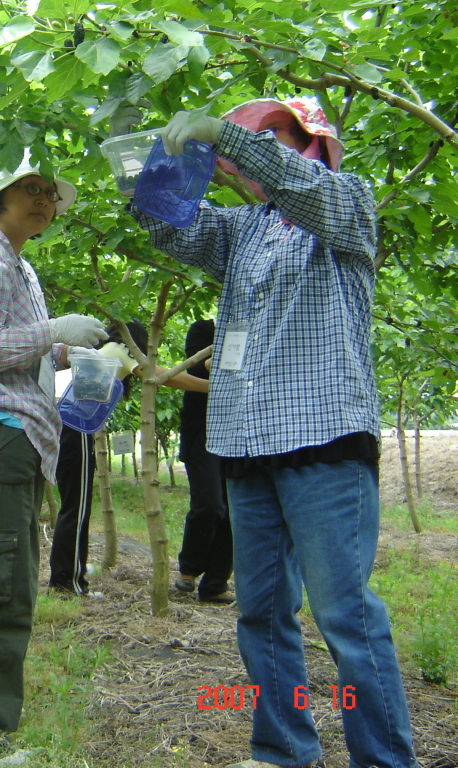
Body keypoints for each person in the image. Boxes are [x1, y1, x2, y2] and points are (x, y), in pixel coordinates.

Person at [130, 98, 417, 768]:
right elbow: (172, 229)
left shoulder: (345, 203)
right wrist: (157, 173)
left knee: (345, 616)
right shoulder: (245, 229)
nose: (250, 152)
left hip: (324, 442)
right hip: (246, 445)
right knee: (260, 613)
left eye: (269, 138)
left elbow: (304, 189)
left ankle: (383, 759)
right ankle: (284, 751)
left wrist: (223, 132)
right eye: (245, 144)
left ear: (311, 142)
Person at [0, 152, 108, 758]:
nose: (42, 201)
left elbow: (16, 350)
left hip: (13, 439)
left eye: (48, 194)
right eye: (28, 189)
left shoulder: (17, 266)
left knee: (9, 587)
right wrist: (56, 330)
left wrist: (69, 358)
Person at [49, 320, 210, 597]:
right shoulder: (121, 350)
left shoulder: (106, 351)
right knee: (77, 507)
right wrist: (212, 387)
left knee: (75, 505)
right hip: (74, 429)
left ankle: (69, 571)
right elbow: (165, 376)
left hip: (64, 426)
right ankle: (67, 582)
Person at [174, 318, 235, 604]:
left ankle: (215, 583)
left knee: (233, 510)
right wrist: (225, 360)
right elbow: (194, 367)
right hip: (204, 432)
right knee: (210, 504)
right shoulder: (203, 329)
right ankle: (189, 568)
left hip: (241, 431)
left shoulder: (261, 328)